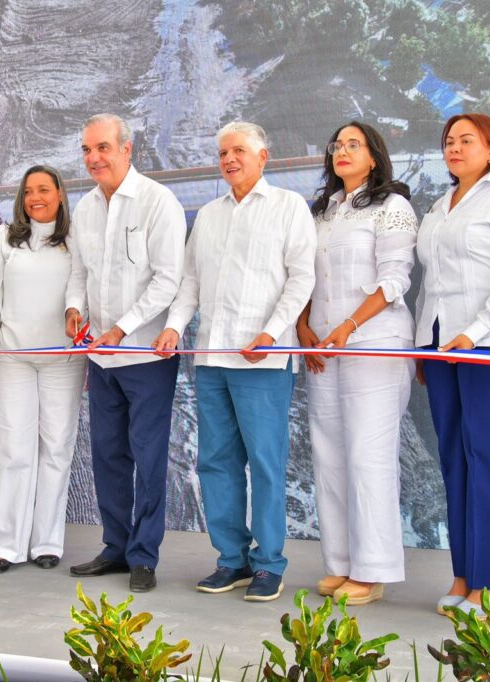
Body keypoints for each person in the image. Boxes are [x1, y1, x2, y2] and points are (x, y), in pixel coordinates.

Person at [154, 121, 315, 602]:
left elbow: (302, 278)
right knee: (215, 464)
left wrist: (273, 332)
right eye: (223, 152)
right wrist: (174, 326)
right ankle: (232, 560)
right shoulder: (208, 215)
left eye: (239, 151)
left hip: (263, 359)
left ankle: (269, 564)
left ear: (263, 156)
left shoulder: (288, 207)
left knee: (265, 465)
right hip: (211, 357)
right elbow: (190, 282)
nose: (229, 159)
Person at [414, 113, 490, 615]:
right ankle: (464, 575)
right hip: (441, 346)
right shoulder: (438, 206)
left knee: (488, 457)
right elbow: (431, 284)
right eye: (449, 140)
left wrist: (475, 331)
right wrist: (425, 343)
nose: (455, 147)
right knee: (454, 457)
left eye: (467, 140)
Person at [296, 122, 417, 605]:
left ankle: (372, 570)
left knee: (368, 455)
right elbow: (305, 277)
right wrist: (304, 327)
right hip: (323, 347)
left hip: (375, 343)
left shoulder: (392, 206)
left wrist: (349, 325)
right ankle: (341, 562)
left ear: (373, 156)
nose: (342, 151)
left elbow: (395, 279)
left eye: (354, 145)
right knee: (328, 454)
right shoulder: (321, 212)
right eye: (337, 145)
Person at [65, 113, 186, 592]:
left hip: (146, 357)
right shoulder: (85, 208)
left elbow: (168, 280)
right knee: (107, 456)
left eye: (102, 148)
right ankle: (115, 547)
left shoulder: (158, 201)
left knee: (149, 458)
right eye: (87, 150)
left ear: (126, 148)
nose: (94, 158)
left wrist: (122, 328)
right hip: (101, 358)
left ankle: (144, 556)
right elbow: (79, 273)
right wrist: (74, 309)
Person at [0, 165, 85, 573]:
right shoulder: (5, 237)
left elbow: (79, 282)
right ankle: (5, 546)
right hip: (13, 356)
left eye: (44, 190)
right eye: (29, 191)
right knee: (11, 449)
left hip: (63, 358)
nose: (36, 197)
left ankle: (47, 543)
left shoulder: (75, 237)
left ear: (59, 194)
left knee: (56, 448)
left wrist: (74, 310)